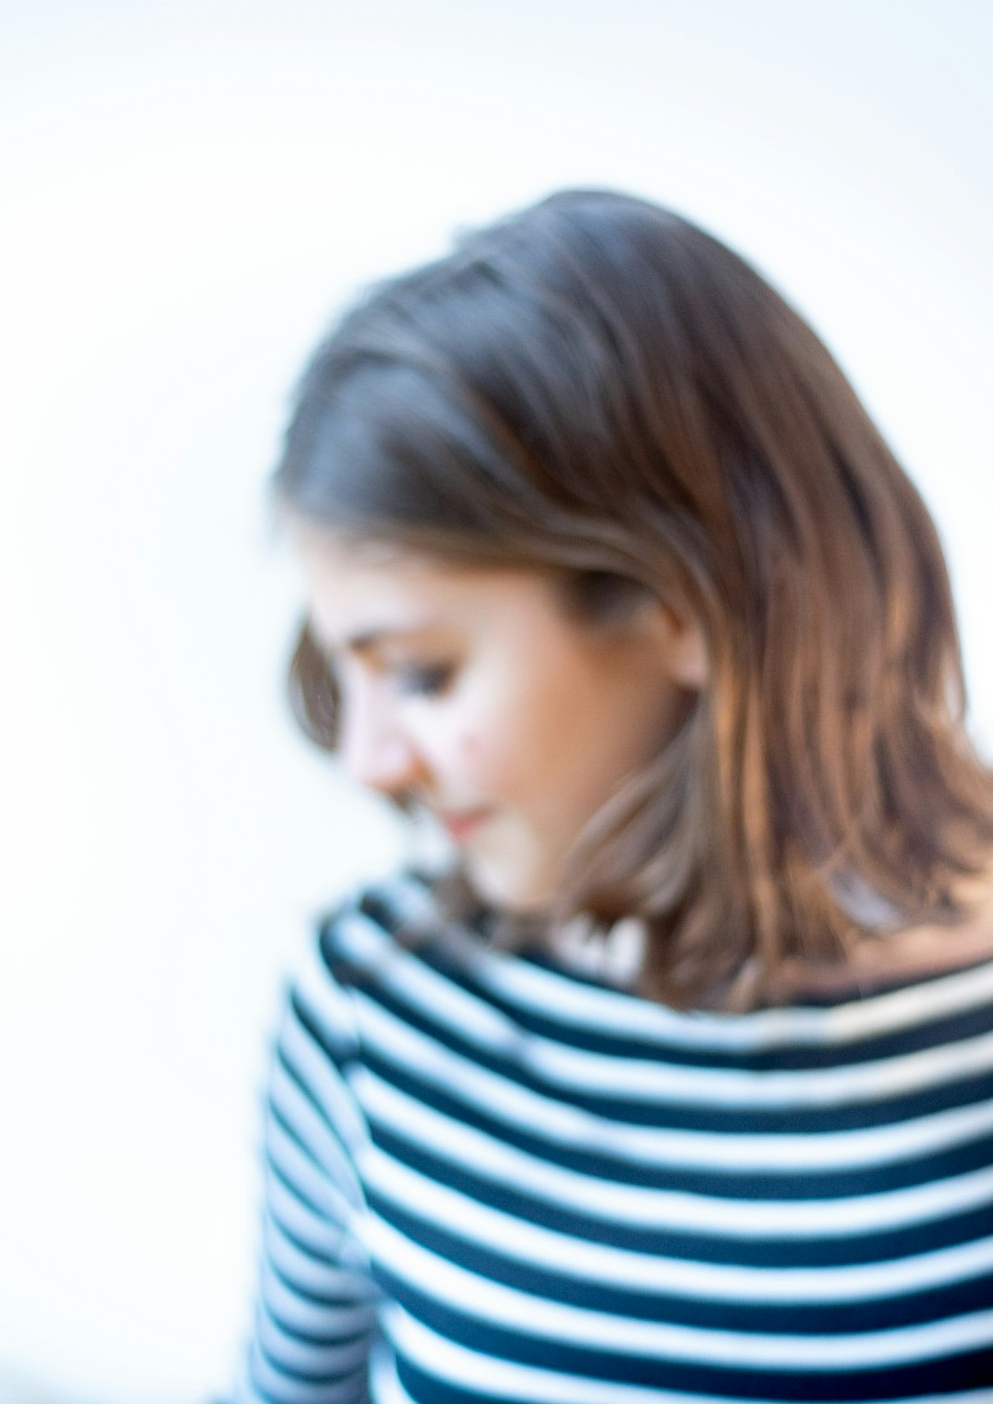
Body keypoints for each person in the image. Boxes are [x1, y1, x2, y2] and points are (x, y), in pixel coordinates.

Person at [235, 190, 993, 1403]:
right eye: (349, 674)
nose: (369, 762)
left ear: (678, 607)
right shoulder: (374, 1003)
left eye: (422, 673)